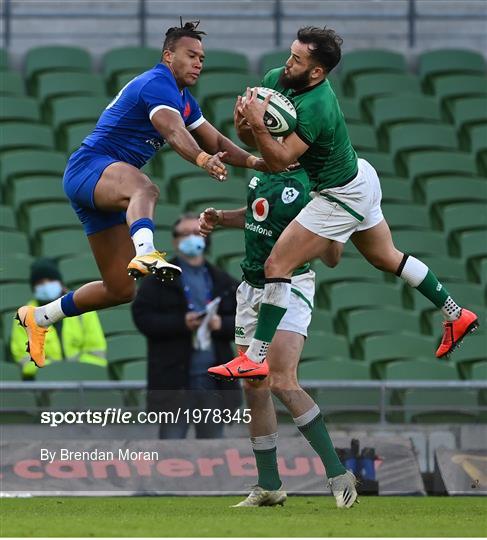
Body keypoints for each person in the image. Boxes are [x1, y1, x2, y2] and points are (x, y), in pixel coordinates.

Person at [210, 26, 479, 383]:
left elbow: (279, 162)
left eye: (297, 59)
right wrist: (243, 122)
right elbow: (259, 142)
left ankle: (256, 358)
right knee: (386, 257)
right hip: (360, 174)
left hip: (340, 193)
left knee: (277, 263)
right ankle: (455, 313)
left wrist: (259, 127)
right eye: (291, 54)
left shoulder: (317, 105)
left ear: (318, 71)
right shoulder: (278, 78)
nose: (288, 63)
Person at [15, 20, 266, 370]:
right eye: (191, 55)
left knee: (120, 290)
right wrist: (202, 159)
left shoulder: (184, 99)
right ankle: (146, 253)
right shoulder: (156, 83)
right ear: (168, 56)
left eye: (202, 58)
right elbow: (172, 129)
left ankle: (40, 316)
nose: (198, 63)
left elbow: (218, 141)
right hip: (91, 167)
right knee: (145, 187)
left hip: (106, 186)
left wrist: (261, 162)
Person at [199, 164, 355, 508]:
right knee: (254, 383)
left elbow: (333, 258)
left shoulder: (312, 180)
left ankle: (338, 474)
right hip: (250, 288)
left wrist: (332, 225)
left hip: (289, 284)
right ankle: (269, 485)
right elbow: (261, 216)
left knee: (283, 381)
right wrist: (223, 217)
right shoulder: (262, 172)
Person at [132, 213, 241, 439]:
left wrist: (221, 323)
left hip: (214, 381)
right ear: (175, 241)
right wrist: (181, 323)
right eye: (185, 234)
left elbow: (246, 320)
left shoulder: (223, 281)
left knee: (213, 452)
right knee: (172, 449)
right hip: (174, 382)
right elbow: (143, 318)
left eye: (197, 233)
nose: (192, 238)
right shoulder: (157, 280)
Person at [11, 259, 106, 379]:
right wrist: (58, 372)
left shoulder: (83, 309)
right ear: (33, 288)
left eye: (50, 280)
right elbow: (26, 359)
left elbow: (95, 351)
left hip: (84, 379)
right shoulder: (24, 317)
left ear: (60, 283)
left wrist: (76, 372)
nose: (46, 285)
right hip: (47, 382)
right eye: (40, 283)